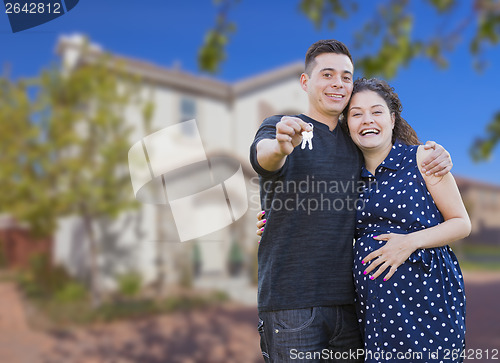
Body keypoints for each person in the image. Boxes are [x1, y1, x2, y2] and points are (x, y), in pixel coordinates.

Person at [250, 39, 452, 363]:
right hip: (292, 305)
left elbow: (390, 161)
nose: (338, 84)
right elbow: (265, 159)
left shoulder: (356, 140)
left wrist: (439, 154)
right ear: (306, 82)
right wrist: (281, 145)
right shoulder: (281, 127)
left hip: (354, 306)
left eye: (345, 76)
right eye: (327, 74)